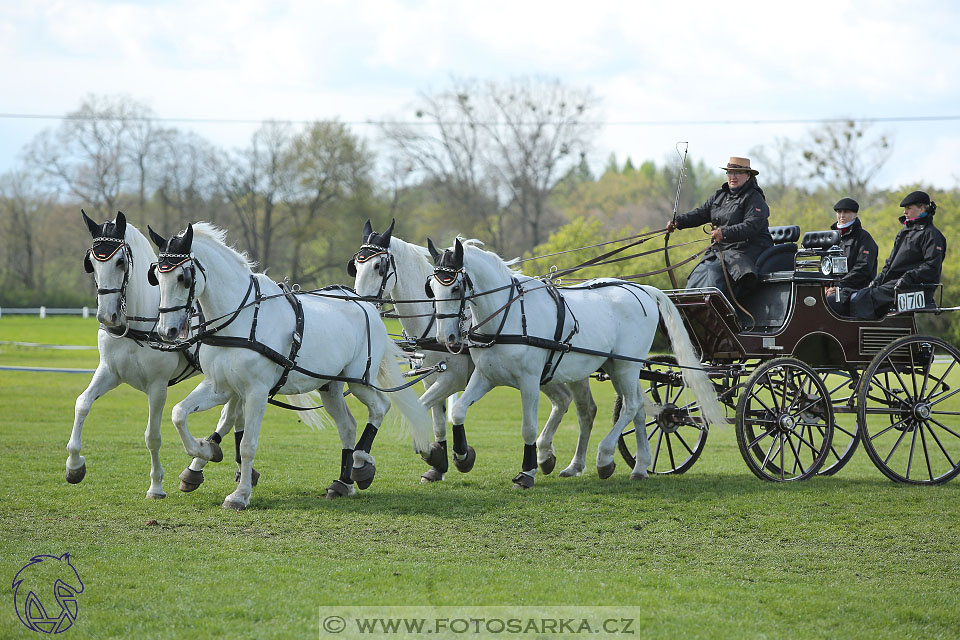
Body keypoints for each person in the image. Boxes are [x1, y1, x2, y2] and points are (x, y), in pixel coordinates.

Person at [666, 156, 772, 303]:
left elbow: (752, 225)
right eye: (729, 172)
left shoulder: (754, 198)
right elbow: (701, 213)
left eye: (737, 173)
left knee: (713, 273)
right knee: (700, 270)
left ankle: (717, 312)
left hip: (746, 250)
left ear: (748, 176)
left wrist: (724, 233)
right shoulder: (720, 195)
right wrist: (679, 221)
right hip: (721, 252)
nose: (733, 176)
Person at [848, 190, 946, 319]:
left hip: (915, 288)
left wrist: (907, 278)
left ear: (922, 208)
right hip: (896, 284)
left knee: (864, 299)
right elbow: (889, 264)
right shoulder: (903, 233)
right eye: (905, 209)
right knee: (858, 295)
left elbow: (931, 266)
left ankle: (867, 336)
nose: (905, 212)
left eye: (909, 208)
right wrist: (877, 281)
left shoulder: (932, 235)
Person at [824, 197, 878, 315]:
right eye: (839, 212)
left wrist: (838, 286)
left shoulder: (864, 238)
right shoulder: (830, 238)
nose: (842, 215)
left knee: (828, 304)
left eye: (846, 212)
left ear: (855, 214)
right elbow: (824, 265)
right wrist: (825, 286)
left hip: (855, 291)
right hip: (832, 290)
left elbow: (863, 268)